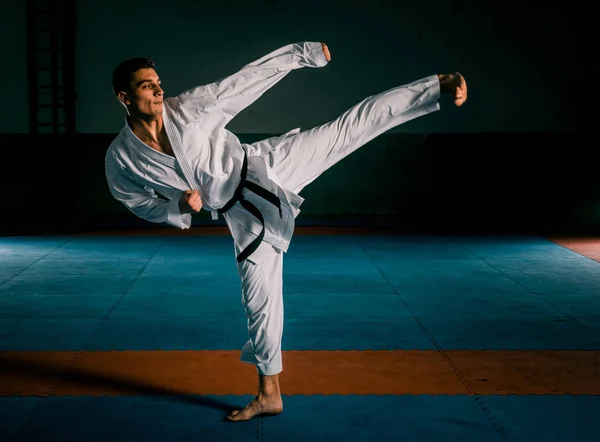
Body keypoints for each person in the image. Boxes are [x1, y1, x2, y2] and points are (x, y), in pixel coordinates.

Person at [105, 41, 467, 422]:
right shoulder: (121, 157)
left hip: (268, 166)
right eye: (148, 86)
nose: (160, 90)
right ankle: (269, 394)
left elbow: (245, 81)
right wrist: (175, 206)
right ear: (124, 97)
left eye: (158, 82)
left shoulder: (188, 109)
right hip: (242, 219)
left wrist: (301, 54)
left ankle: (436, 87)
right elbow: (135, 201)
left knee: (351, 127)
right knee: (258, 302)